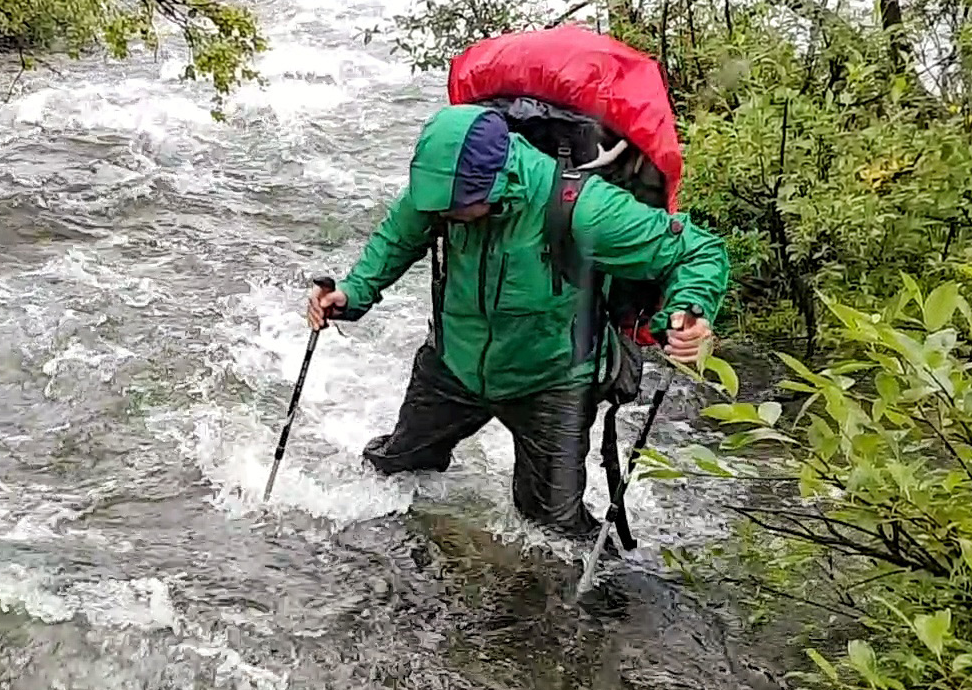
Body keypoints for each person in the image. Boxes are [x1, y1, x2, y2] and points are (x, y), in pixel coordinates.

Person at [307, 103, 729, 537]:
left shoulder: (583, 209)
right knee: (393, 470)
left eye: (455, 207)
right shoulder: (440, 191)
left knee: (553, 530)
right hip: (455, 361)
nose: (442, 214)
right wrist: (352, 293)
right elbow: (396, 238)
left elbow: (697, 249)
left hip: (551, 378)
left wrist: (691, 314)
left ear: (493, 186)